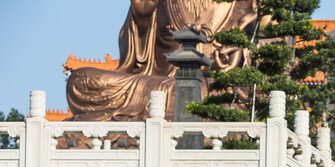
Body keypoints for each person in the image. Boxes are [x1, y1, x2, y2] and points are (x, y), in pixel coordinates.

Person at [67, 0, 257, 120]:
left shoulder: (249, 4)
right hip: (159, 85)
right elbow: (136, 61)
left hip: (214, 86)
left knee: (228, 94)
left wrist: (236, 60)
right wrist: (142, 15)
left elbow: (273, 53)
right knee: (80, 80)